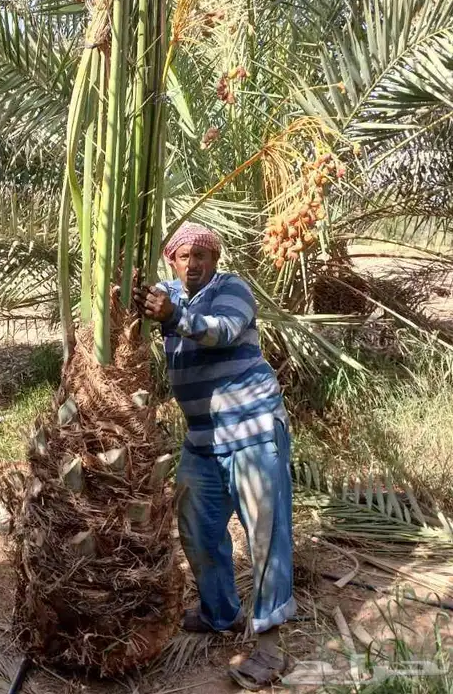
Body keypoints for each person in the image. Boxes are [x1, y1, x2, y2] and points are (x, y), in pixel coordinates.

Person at [133, 222, 295, 690]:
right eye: (185, 257)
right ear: (172, 261)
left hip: (253, 429)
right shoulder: (167, 293)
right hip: (203, 438)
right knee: (197, 530)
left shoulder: (232, 289)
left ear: (215, 260)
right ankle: (220, 612)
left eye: (202, 256)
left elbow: (221, 331)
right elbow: (145, 301)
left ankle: (270, 649)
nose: (194, 264)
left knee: (266, 536)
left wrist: (174, 317)